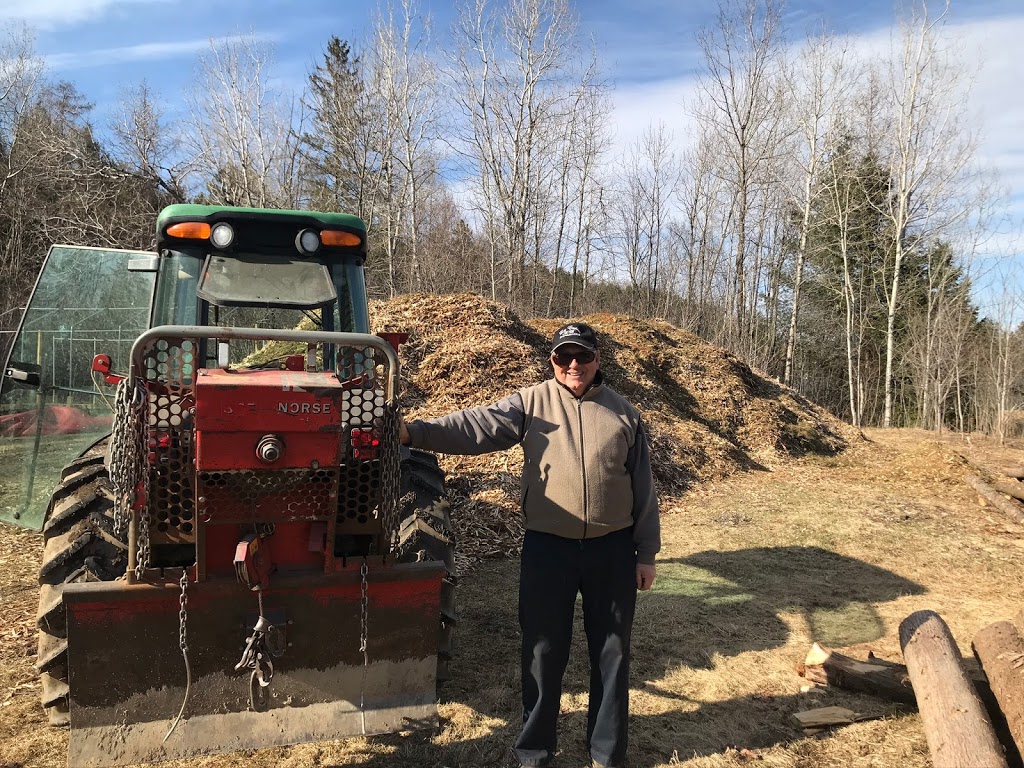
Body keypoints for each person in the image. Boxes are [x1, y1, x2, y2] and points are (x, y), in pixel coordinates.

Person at [399, 321, 660, 768]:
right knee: (542, 649)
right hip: (548, 548)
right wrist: (413, 433)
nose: (573, 364)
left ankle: (607, 752)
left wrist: (646, 553)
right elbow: (474, 427)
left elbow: (643, 488)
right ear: (552, 360)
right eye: (563, 356)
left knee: (612, 650)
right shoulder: (531, 403)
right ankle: (536, 750)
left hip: (612, 550)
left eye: (582, 356)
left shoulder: (624, 414)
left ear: (599, 359)